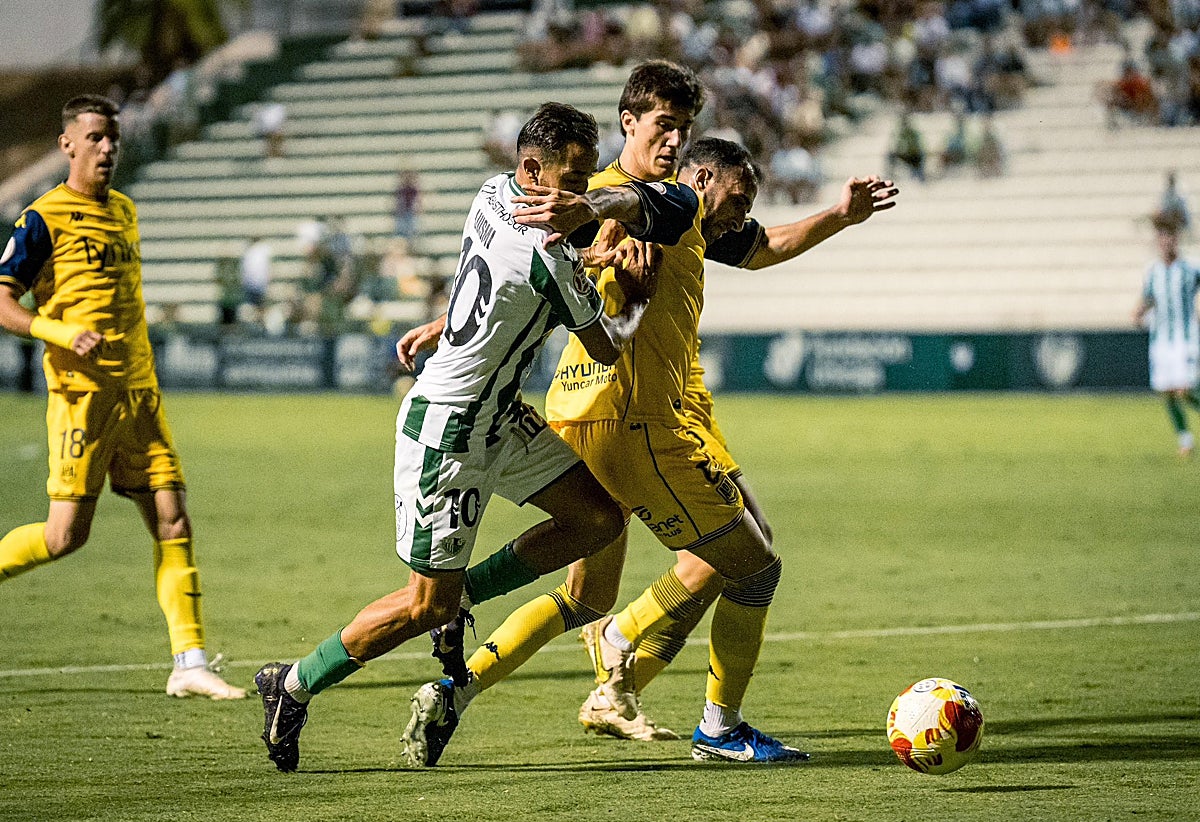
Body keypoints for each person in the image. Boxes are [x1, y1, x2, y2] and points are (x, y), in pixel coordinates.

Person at [398, 60, 898, 764]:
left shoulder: (661, 204)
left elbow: (746, 243)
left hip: (583, 415)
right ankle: (717, 727)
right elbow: (554, 246)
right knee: (753, 566)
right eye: (665, 124)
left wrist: (840, 217)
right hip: (631, 420)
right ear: (629, 121)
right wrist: (454, 315)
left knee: (583, 599)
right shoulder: (593, 192)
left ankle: (456, 686)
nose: (675, 138)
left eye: (684, 127)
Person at [253, 101, 699, 773]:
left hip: (499, 414)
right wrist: (632, 290)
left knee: (597, 519)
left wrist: (446, 323)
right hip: (450, 430)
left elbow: (497, 274)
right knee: (422, 606)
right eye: (573, 180)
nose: (581, 196)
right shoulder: (550, 253)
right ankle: (290, 684)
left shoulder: (492, 194)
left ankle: (463, 600)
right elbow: (606, 346)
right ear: (531, 168)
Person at [0, 94, 245, 701]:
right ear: (68, 144)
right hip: (82, 398)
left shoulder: (126, 211)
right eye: (96, 138)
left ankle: (188, 662)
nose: (108, 148)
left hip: (140, 395)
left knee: (173, 518)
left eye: (114, 138)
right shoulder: (42, 218)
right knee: (64, 538)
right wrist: (57, 332)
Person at [1133, 213, 1200, 456]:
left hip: (1185, 338)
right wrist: (1138, 312)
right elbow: (1148, 299)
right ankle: (1185, 440)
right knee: (1168, 391)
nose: (1165, 241)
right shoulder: (1153, 272)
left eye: (1169, 237)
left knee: (1186, 389)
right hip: (1161, 340)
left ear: (1176, 240)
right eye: (1161, 237)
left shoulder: (1191, 269)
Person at [239, 236, 272, 326]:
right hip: (259, 283)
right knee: (259, 306)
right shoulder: (262, 250)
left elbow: (244, 270)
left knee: (256, 306)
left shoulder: (250, 252)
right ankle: (259, 323)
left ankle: (257, 323)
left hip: (253, 283)